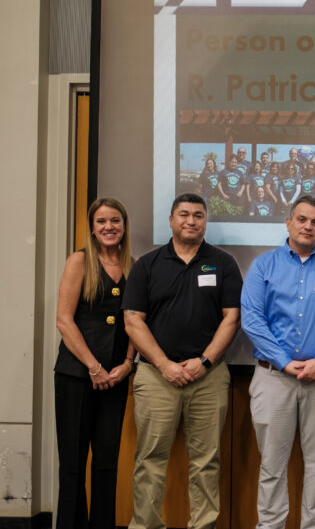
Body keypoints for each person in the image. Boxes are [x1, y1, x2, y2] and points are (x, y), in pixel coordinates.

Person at [122, 193, 242, 529]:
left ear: (205, 221)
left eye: (198, 215)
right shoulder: (147, 264)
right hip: (156, 376)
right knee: (150, 459)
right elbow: (133, 320)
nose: (191, 221)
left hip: (209, 377)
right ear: (171, 220)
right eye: (184, 214)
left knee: (207, 461)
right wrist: (165, 365)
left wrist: (204, 361)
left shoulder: (223, 263)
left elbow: (232, 318)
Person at [241, 195, 315, 529]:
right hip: (273, 378)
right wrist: (283, 361)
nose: (308, 226)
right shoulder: (263, 265)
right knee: (272, 466)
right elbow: (252, 320)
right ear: (288, 223)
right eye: (302, 219)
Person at [53, 197, 136, 529]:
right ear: (92, 227)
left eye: (115, 220)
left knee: (107, 463)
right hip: (76, 375)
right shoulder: (79, 261)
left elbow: (135, 321)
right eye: (101, 221)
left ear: (124, 226)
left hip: (115, 377)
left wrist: (128, 363)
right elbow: (63, 320)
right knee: (73, 464)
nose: (109, 227)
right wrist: (93, 367)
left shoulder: (134, 266)